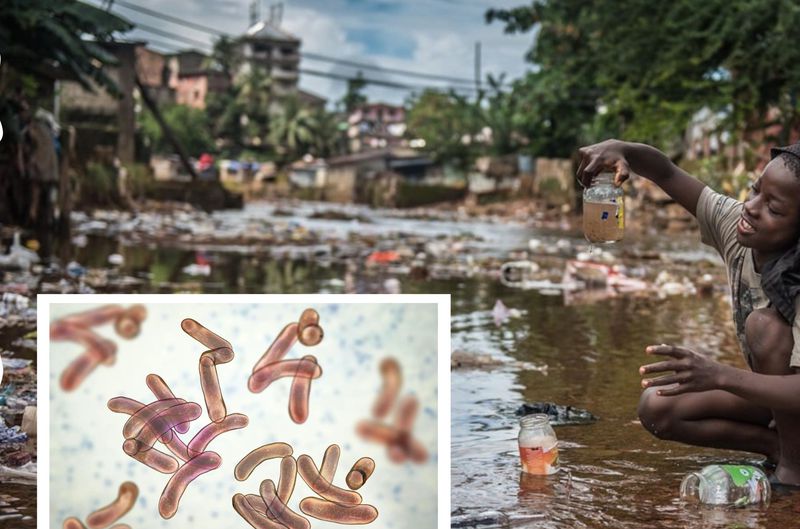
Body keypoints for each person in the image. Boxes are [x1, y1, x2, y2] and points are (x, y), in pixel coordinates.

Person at [576, 139, 800, 487]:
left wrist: (720, 375)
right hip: (782, 404)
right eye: (755, 191)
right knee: (658, 406)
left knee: (764, 327)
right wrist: (623, 151)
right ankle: (777, 449)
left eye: (774, 209)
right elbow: (666, 172)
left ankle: (794, 472)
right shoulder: (736, 226)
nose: (751, 208)